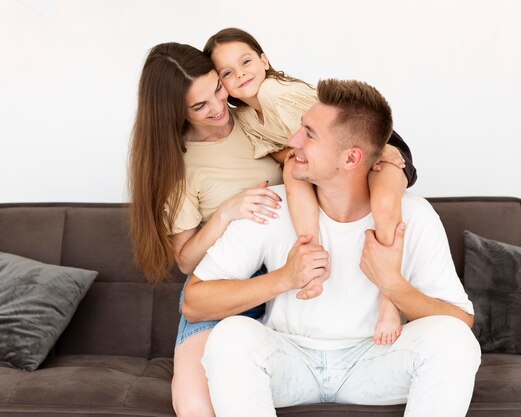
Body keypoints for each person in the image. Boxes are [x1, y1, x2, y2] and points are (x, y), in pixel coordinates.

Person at [184, 79, 481, 417]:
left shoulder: (413, 214)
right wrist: (284, 277)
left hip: (376, 360)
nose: (293, 141)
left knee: (454, 341)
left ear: (351, 158)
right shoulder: (272, 206)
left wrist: (393, 286)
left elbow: (460, 320)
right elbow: (194, 303)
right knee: (230, 336)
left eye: (309, 134)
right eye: (300, 128)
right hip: (290, 359)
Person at [203, 28, 417, 345]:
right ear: (223, 85)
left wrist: (379, 150)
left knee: (384, 206)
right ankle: (312, 256)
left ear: (264, 60)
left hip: (379, 146)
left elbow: (339, 125)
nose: (242, 73)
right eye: (228, 72)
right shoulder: (246, 116)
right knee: (292, 171)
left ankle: (389, 300)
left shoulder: (276, 92)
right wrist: (293, 158)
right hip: (334, 160)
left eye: (246, 61)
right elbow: (281, 149)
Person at [128, 42, 285, 417]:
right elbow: (185, 261)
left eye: (218, 88)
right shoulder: (177, 164)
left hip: (286, 275)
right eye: (199, 106)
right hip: (222, 285)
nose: (218, 108)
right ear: (174, 113)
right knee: (194, 404)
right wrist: (226, 213)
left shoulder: (256, 114)